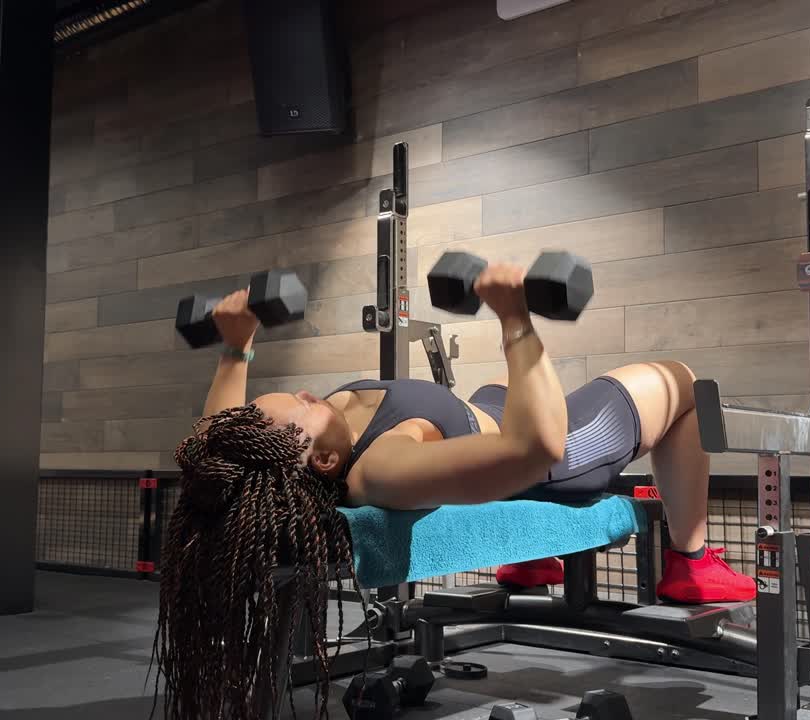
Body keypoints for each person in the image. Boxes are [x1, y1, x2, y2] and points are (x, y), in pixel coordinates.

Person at [153, 261, 752, 719]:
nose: (310, 395)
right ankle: (691, 559)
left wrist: (237, 345)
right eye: (303, 408)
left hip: (485, 410)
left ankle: (533, 560)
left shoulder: (288, 447)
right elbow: (534, 447)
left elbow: (215, 447)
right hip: (561, 454)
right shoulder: (378, 468)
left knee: (495, 382)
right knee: (682, 384)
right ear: (327, 459)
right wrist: (516, 318)